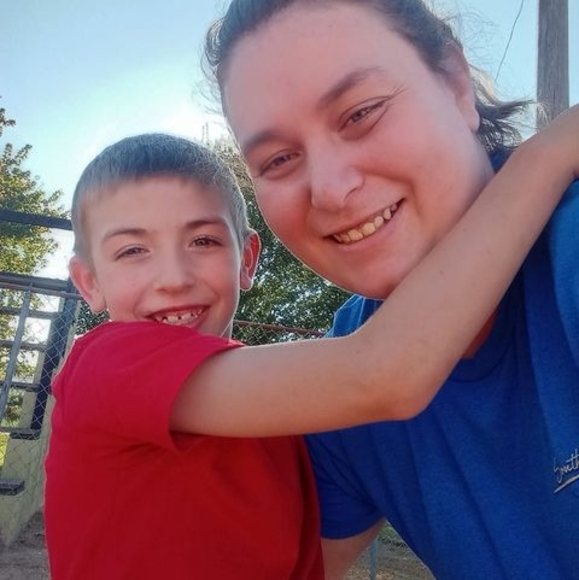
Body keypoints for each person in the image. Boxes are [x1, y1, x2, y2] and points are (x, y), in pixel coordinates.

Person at [203, 1, 579, 579]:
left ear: (456, 83)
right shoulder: (344, 398)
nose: (330, 189)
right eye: (277, 159)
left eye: (361, 113)